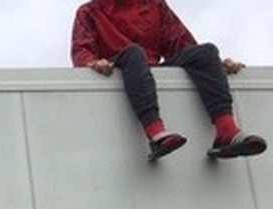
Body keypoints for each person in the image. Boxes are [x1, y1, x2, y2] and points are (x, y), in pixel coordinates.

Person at [71, 0, 267, 161]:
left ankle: (227, 131)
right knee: (134, 53)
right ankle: (156, 134)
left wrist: (215, 64)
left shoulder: (155, 6)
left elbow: (182, 46)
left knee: (206, 52)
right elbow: (81, 50)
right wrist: (93, 63)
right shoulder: (88, 12)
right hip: (119, 67)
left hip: (148, 70)